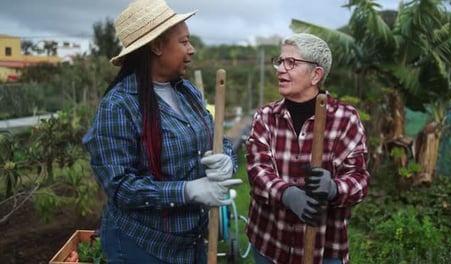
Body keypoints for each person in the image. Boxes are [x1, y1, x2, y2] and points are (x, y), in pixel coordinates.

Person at [82, 0, 242, 263]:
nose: (192, 50)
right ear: (156, 46)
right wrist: (188, 191)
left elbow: (217, 139)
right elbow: (120, 186)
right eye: (184, 42)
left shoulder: (186, 91)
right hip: (144, 245)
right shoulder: (119, 106)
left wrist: (226, 158)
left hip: (191, 242)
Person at [245, 33, 370, 264]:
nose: (280, 69)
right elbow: (256, 168)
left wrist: (334, 188)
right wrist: (287, 194)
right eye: (280, 61)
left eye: (291, 63)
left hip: (324, 249)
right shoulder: (266, 116)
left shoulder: (345, 119)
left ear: (316, 75)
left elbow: (359, 179)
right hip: (270, 242)